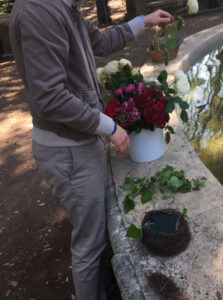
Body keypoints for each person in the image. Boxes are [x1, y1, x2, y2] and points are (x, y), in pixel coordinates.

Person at [9, 1, 173, 299]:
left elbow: (97, 40)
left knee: (94, 236)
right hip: (69, 149)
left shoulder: (60, 4)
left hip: (77, 143)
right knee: (88, 246)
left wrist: (143, 22)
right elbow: (50, 97)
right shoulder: (40, 10)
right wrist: (108, 126)